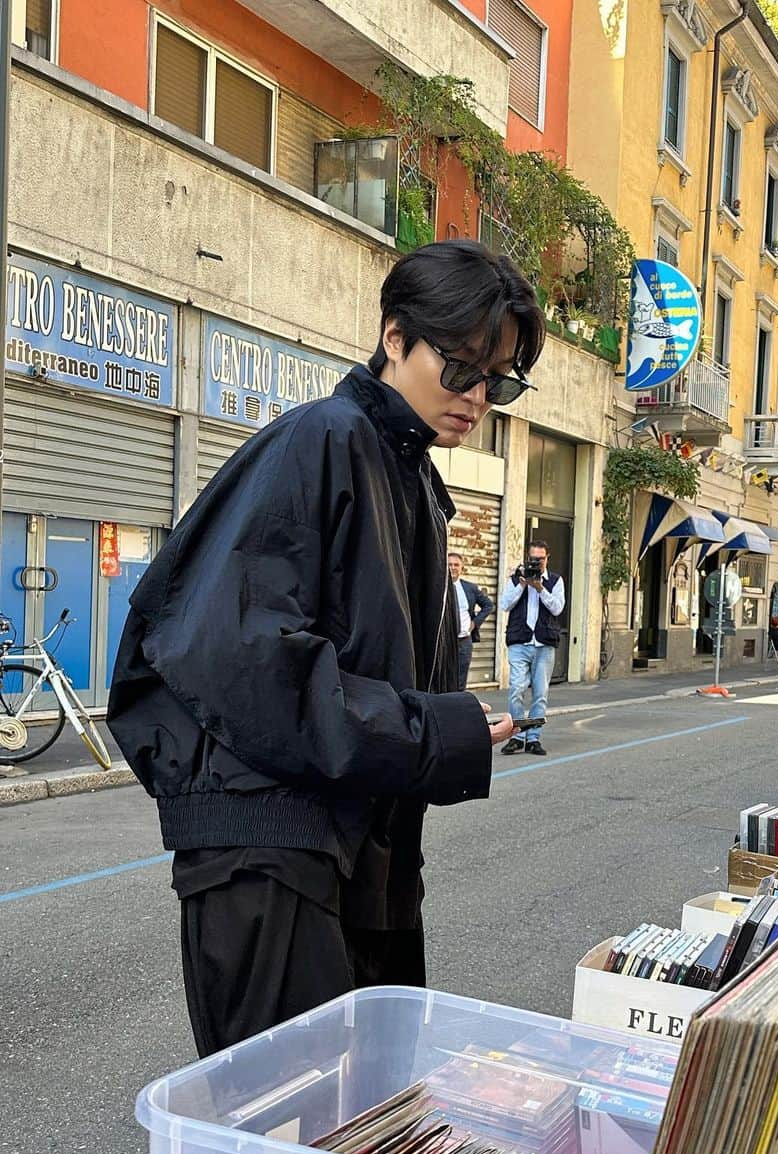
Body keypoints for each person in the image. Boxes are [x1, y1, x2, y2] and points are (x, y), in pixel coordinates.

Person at [107, 239, 544, 1057]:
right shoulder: (325, 440)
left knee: (367, 1117)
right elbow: (238, 654)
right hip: (270, 844)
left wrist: (439, 729)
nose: (480, 395)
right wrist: (432, 734)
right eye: (461, 366)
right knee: (291, 1129)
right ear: (394, 337)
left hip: (351, 840)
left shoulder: (408, 471)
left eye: (500, 379)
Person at [500, 540, 565, 757]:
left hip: (544, 644)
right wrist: (522, 585)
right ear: (527, 558)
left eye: (540, 559)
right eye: (533, 559)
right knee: (516, 689)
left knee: (540, 694)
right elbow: (505, 604)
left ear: (547, 558)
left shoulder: (555, 581)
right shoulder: (515, 578)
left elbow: (557, 608)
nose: (536, 562)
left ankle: (534, 737)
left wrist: (540, 588)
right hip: (520, 642)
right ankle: (517, 736)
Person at [448, 552, 494, 691]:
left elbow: (488, 605)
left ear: (462, 568)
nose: (452, 568)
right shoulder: (437, 587)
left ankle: (458, 710)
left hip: (464, 641)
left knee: (460, 681)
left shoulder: (470, 588)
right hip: (444, 642)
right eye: (449, 564)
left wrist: (475, 623)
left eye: (456, 565)